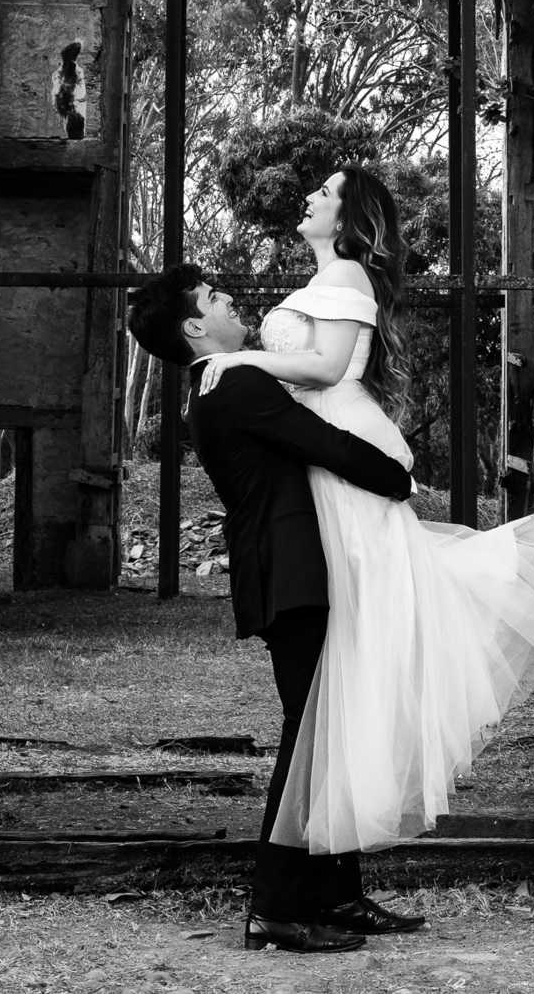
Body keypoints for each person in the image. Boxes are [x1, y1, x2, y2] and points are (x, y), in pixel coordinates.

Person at [195, 164, 534, 859]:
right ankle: (329, 863)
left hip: (347, 439)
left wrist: (247, 358)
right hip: (325, 451)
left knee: (379, 604)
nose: (309, 196)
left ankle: (516, 568)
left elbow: (324, 366)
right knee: (369, 617)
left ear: (349, 219)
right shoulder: (327, 281)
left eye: (324, 192)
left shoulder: (346, 275)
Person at [127, 265, 426, 954]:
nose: (232, 301)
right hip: (290, 576)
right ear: (195, 326)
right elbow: (321, 444)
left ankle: (337, 894)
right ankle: (276, 907)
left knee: (326, 731)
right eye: (215, 297)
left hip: (285, 572)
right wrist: (397, 476)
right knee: (310, 738)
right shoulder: (233, 380)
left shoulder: (217, 383)